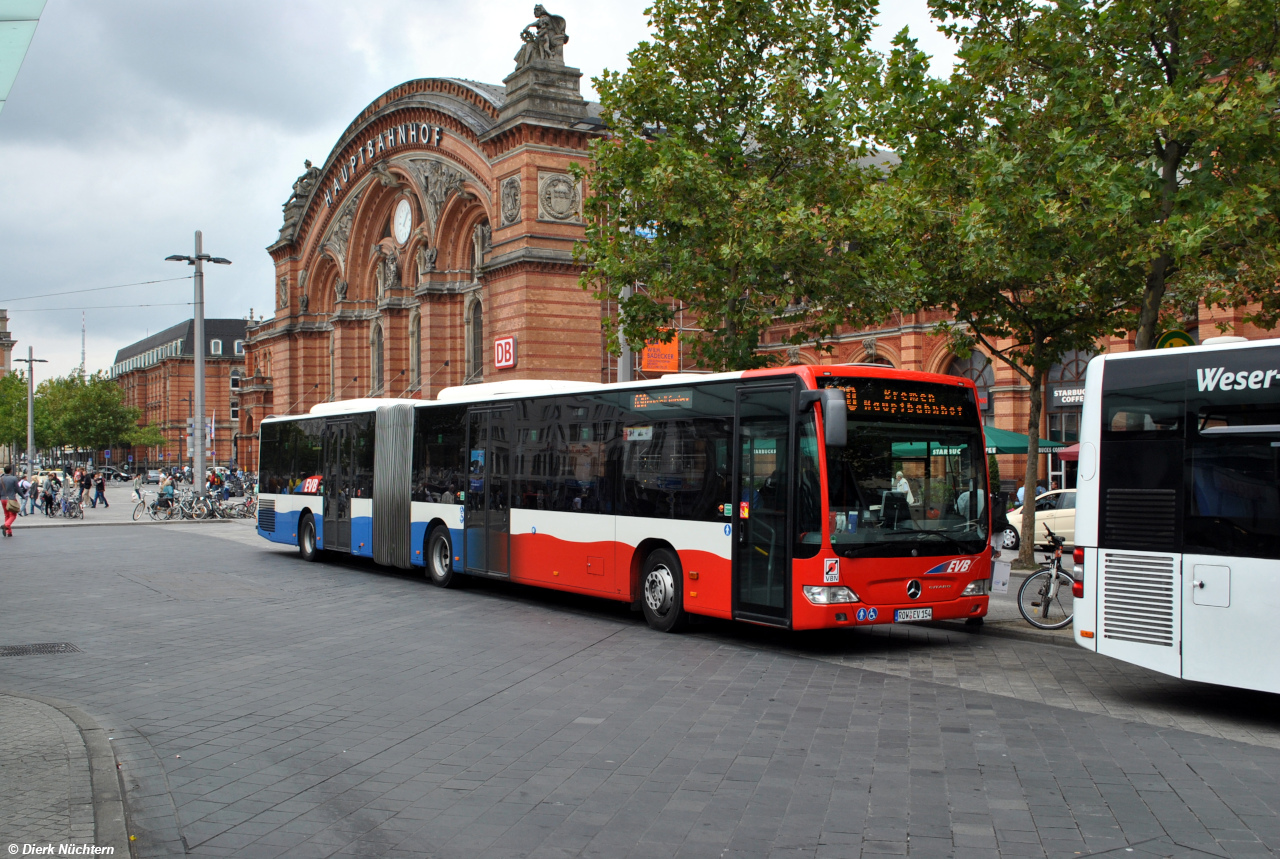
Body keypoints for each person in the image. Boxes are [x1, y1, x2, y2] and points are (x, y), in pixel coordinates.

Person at [0, 465, 20, 536]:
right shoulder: (13, 478)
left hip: (3, 499)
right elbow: (17, 489)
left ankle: (9, 532)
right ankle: (6, 525)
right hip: (11, 499)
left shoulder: (1, 478)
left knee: (7, 515)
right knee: (13, 515)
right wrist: (23, 496)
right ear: (10, 471)